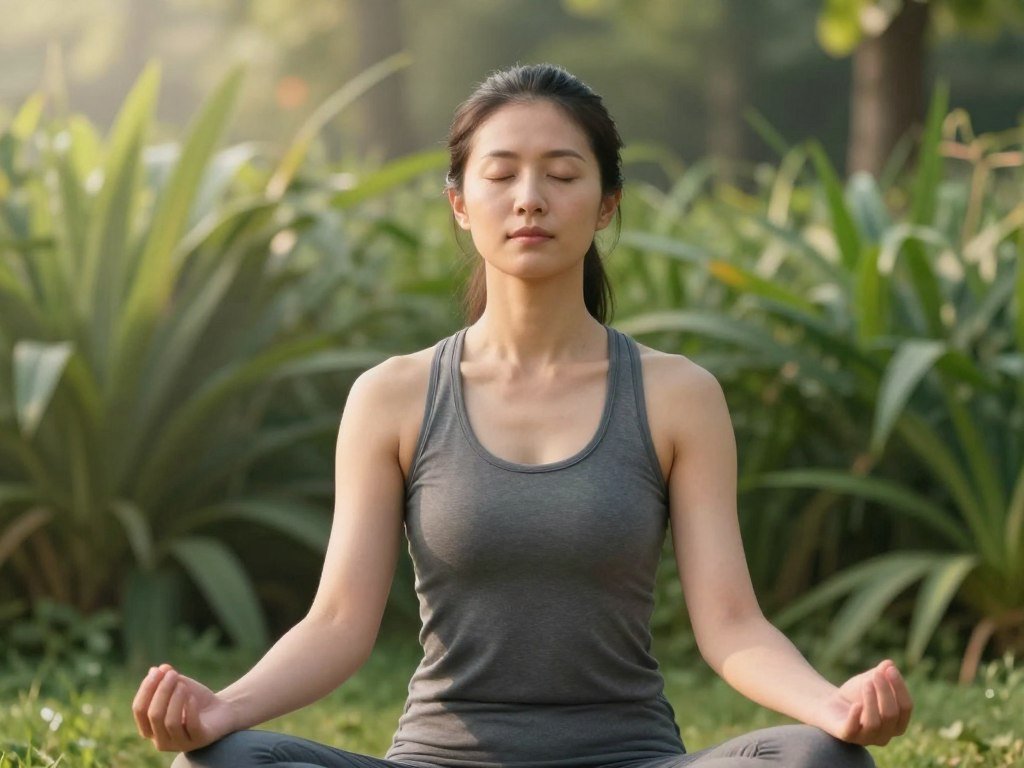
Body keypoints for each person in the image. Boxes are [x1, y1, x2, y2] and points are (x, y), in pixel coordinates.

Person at [132, 62, 912, 768]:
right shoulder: (393, 396)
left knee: (822, 762)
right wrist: (223, 709)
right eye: (500, 174)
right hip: (441, 761)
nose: (530, 198)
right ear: (459, 204)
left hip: (630, 758)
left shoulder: (678, 396)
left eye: (562, 174)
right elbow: (337, 623)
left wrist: (832, 707)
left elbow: (733, 625)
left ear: (606, 204)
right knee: (221, 766)